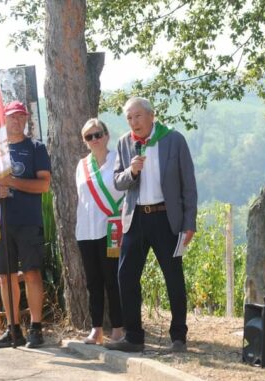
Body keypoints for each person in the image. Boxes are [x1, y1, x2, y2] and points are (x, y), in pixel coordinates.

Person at [106, 97, 197, 353]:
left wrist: (189, 222)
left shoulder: (173, 140)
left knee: (173, 277)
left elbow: (188, 184)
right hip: (135, 218)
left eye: (138, 116)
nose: (134, 122)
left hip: (166, 218)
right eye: (129, 118)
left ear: (151, 116)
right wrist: (132, 172)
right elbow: (118, 182)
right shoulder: (125, 143)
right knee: (126, 276)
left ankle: (178, 337)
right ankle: (134, 337)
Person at [0, 100, 51, 349]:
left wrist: (12, 182)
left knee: (31, 273)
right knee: (5, 277)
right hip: (1, 223)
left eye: (21, 117)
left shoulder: (36, 147)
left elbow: (44, 186)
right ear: (4, 119)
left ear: (26, 120)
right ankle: (13, 329)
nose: (17, 120)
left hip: (28, 222)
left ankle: (36, 328)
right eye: (13, 116)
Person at [75, 118, 125, 345]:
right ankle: (96, 329)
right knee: (93, 282)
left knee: (112, 279)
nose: (94, 139)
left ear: (106, 135)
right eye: (89, 136)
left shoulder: (118, 160)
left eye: (97, 134)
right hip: (86, 230)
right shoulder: (82, 166)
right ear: (85, 141)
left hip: (111, 229)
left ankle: (117, 328)